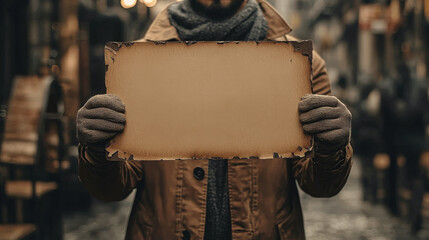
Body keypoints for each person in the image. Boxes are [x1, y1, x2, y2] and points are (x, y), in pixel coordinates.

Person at [77, 0, 353, 239]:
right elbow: (111, 189)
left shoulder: (301, 65)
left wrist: (331, 148)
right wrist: (98, 150)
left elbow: (320, 185)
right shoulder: (137, 64)